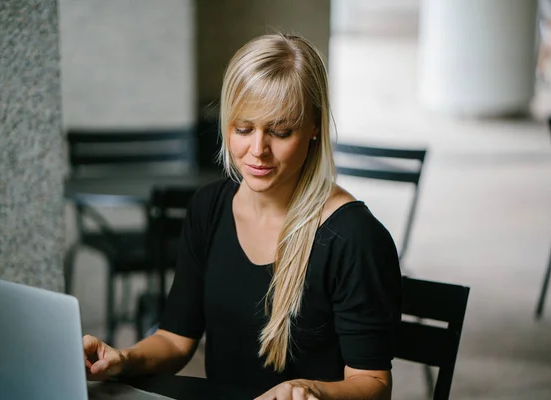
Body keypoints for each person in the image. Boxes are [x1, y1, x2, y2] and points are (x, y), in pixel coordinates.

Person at [84, 33, 402, 400]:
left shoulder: (354, 237)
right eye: (243, 128)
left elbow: (374, 384)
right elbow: (174, 340)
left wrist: (311, 391)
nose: (257, 151)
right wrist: (124, 358)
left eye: (280, 131)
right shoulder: (210, 207)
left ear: (315, 126)